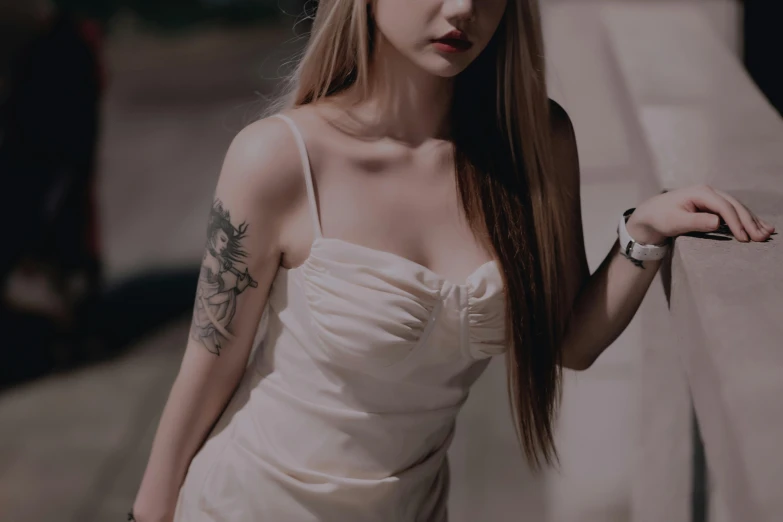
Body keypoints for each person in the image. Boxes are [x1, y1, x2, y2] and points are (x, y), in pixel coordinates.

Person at [130, 1, 775, 520]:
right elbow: (210, 366)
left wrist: (644, 230)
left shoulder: (534, 146)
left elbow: (569, 342)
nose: (463, 9)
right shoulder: (277, 158)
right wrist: (149, 512)